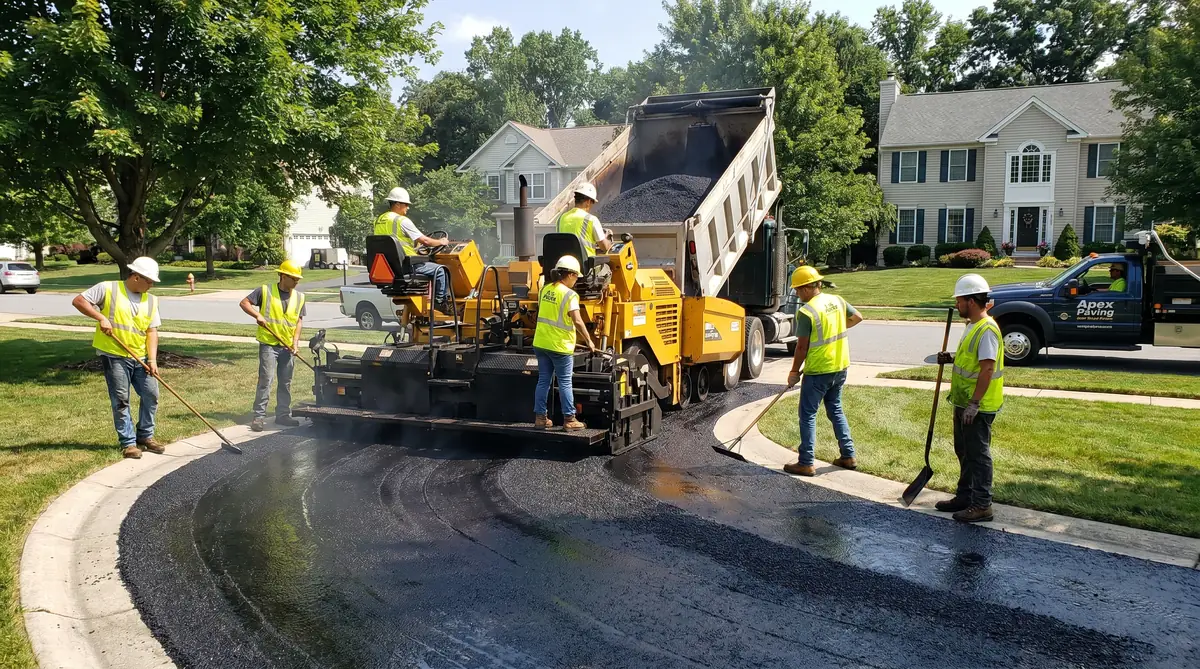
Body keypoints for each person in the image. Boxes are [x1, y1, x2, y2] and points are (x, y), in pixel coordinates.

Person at [71, 257, 164, 459]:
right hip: (114, 355)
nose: (152, 285)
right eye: (149, 281)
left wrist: (152, 359)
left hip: (140, 356)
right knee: (121, 399)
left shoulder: (152, 300)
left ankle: (146, 436)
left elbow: (152, 331)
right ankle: (128, 443)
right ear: (136, 276)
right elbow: (79, 300)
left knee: (151, 394)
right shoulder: (108, 288)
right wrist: (101, 317)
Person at [934, 273, 1005, 523]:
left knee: (978, 454)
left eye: (959, 300)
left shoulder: (986, 329)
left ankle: (982, 504)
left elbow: (987, 368)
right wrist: (951, 358)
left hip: (979, 405)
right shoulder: (972, 326)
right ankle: (965, 496)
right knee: (963, 451)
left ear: (971, 301)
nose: (957, 305)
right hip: (964, 402)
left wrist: (974, 403)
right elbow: (972, 361)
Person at [783, 266, 863, 477]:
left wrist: (793, 372)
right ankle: (848, 455)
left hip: (818, 369)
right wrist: (837, 328)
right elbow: (858, 317)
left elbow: (801, 347)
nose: (798, 295)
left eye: (798, 290)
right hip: (840, 366)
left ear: (808, 288)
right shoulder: (837, 300)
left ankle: (806, 462)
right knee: (835, 408)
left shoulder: (807, 312)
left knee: (807, 414)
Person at [240, 260, 307, 431]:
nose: (296, 282)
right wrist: (257, 315)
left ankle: (283, 415)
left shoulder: (299, 297)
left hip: (288, 347)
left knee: (286, 382)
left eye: (298, 279)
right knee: (266, 380)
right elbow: (244, 303)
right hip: (269, 344)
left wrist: (295, 342)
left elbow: (298, 321)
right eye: (293, 278)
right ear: (283, 275)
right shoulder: (265, 291)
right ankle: (258, 417)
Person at [532, 255, 597, 431]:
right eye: (576, 277)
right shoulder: (570, 295)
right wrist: (589, 340)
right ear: (569, 274)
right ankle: (569, 419)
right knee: (565, 382)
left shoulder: (544, 290)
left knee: (543, 380)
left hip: (540, 343)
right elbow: (577, 320)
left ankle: (540, 418)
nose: (576, 281)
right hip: (559, 346)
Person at [374, 186, 453, 310]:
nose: (408, 207)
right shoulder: (402, 221)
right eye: (406, 204)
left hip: (389, 267)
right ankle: (440, 303)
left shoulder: (379, 220)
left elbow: (394, 244)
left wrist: (416, 248)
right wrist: (441, 241)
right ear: (398, 204)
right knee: (441, 271)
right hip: (407, 266)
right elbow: (426, 241)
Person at [556, 183, 611, 257]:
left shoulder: (561, 218)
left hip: (564, 262)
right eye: (593, 203)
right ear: (588, 202)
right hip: (585, 265)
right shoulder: (591, 219)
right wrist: (607, 239)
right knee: (607, 267)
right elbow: (605, 247)